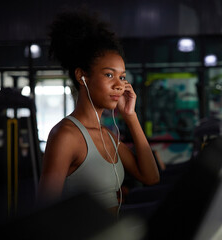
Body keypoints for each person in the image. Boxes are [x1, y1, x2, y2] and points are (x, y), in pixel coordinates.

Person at [37, 9, 160, 216]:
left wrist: (131, 116)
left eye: (122, 77)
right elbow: (44, 212)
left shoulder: (107, 136)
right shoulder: (66, 135)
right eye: (109, 74)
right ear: (82, 76)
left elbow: (151, 177)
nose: (119, 85)